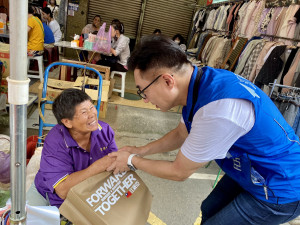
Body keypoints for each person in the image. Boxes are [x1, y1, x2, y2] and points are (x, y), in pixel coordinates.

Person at [107, 35, 300, 225]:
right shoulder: (199, 82)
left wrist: (132, 161)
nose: (145, 99)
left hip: (281, 186)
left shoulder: (217, 111)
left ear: (167, 81)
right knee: (209, 208)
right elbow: (180, 134)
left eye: (143, 91)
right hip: (253, 170)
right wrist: (139, 150)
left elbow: (178, 172)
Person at [26, 89, 117, 208]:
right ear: (67, 122)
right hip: (50, 196)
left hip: (88, 192)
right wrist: (99, 166)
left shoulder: (104, 130)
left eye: (91, 107)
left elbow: (115, 163)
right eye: (84, 112)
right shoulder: (56, 142)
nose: (92, 114)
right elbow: (62, 191)